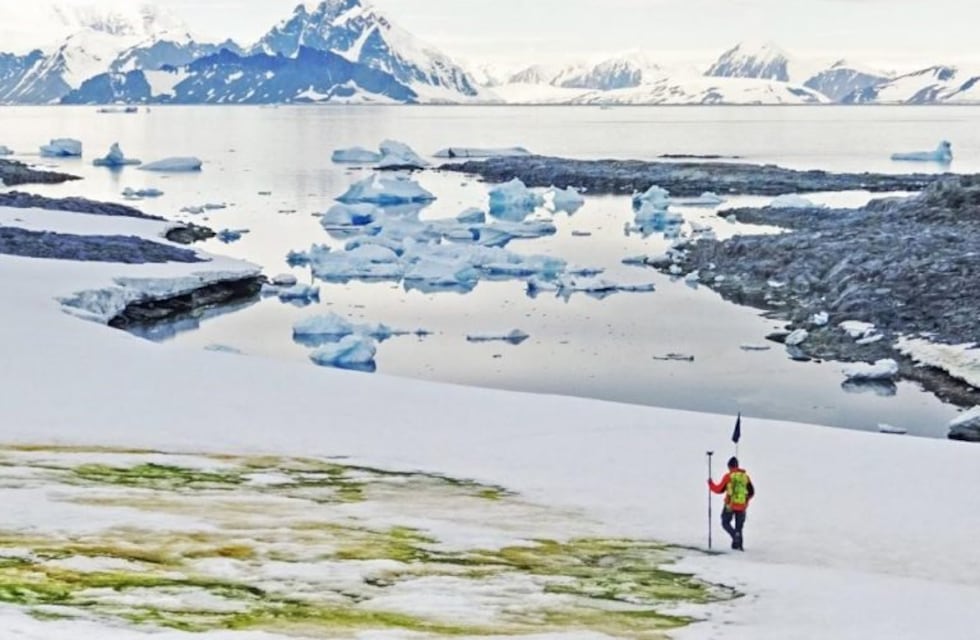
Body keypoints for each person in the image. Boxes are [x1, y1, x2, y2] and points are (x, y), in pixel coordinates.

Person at [709, 456, 755, 550]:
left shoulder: (728, 477)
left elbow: (719, 490)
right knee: (739, 527)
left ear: (729, 466)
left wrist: (710, 484)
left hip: (730, 505)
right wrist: (746, 501)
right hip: (742, 506)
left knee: (725, 522)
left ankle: (735, 536)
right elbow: (751, 492)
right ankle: (739, 546)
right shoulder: (745, 477)